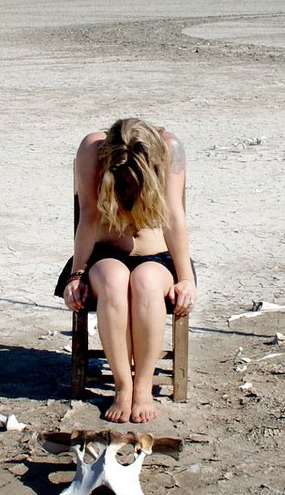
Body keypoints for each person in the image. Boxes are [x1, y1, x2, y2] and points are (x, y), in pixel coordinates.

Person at [61, 118, 196, 424]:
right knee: (114, 280)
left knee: (146, 282)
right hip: (105, 254)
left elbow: (174, 217)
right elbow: (90, 217)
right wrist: (76, 273)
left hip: (157, 256)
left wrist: (186, 278)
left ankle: (143, 386)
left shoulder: (170, 149)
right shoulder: (91, 149)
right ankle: (123, 386)